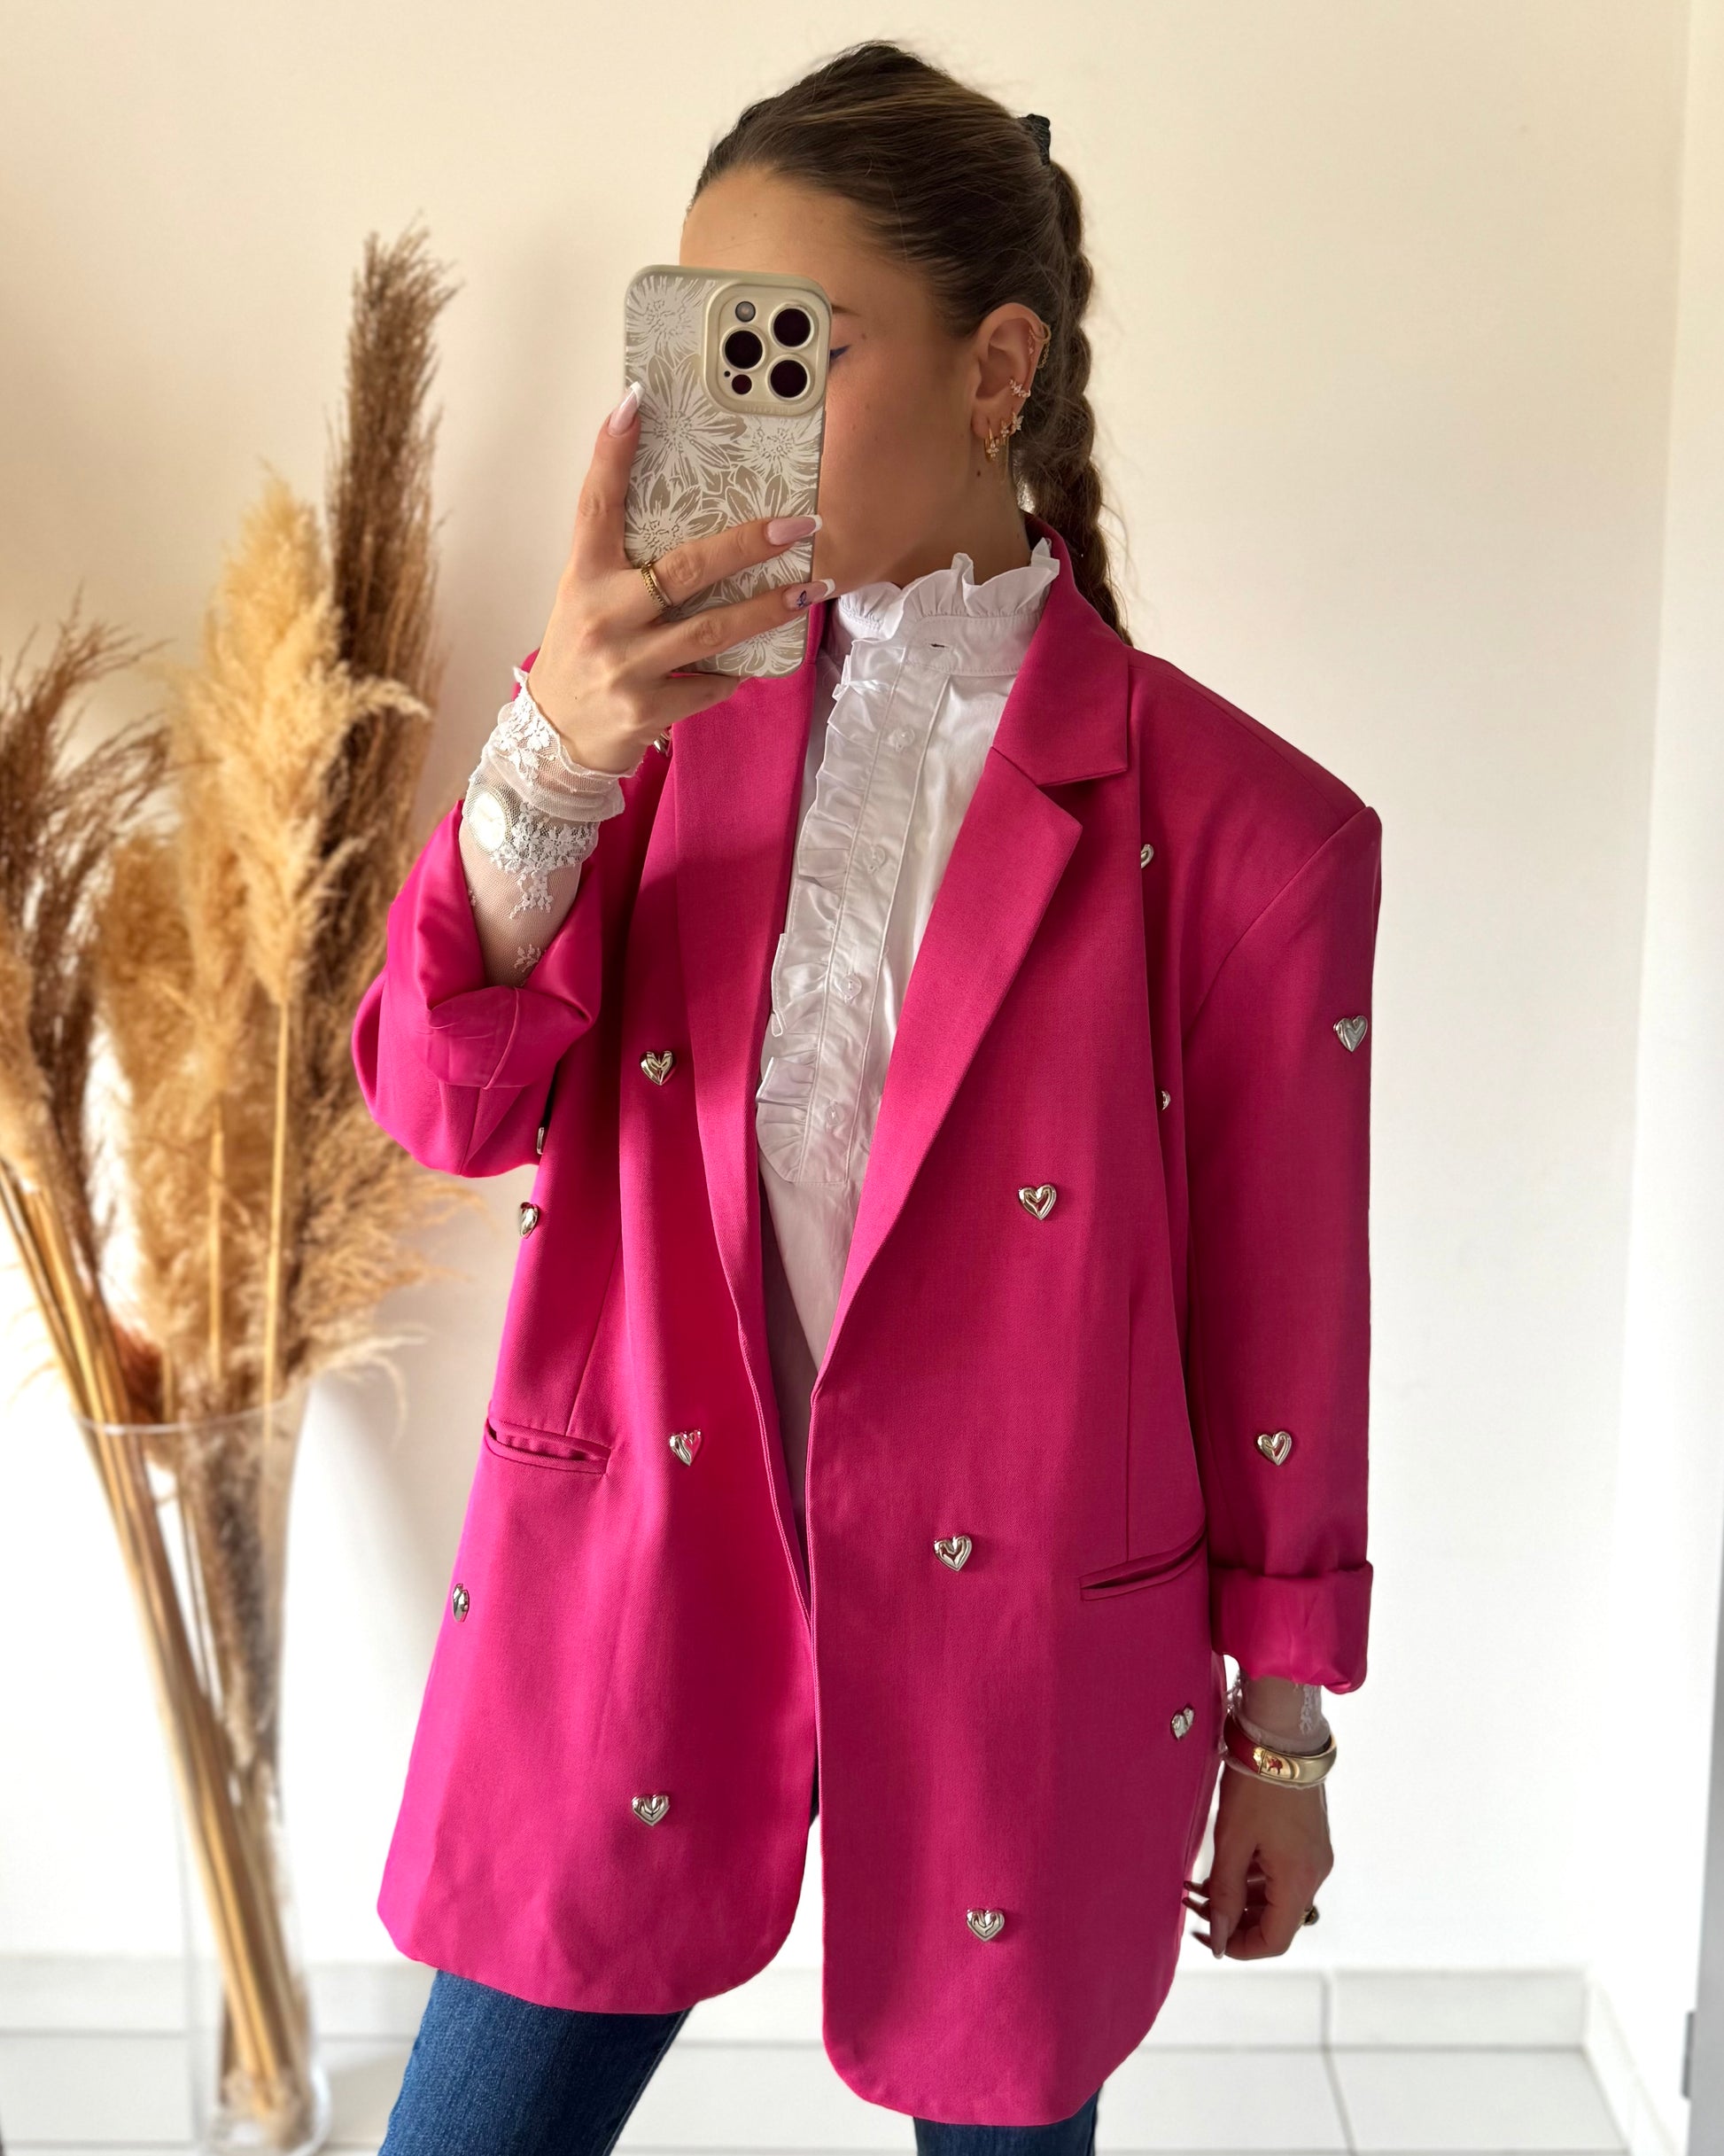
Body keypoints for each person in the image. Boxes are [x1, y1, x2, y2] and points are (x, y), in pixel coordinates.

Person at [354, 38, 1381, 2156]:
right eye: (697, 344)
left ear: (997, 368)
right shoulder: (642, 739)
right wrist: (553, 749)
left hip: (1030, 1649)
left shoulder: (1250, 835)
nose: (718, 415)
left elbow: (1281, 1331)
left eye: (790, 348)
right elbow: (442, 1105)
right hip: (630, 1582)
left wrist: (1279, 1732)